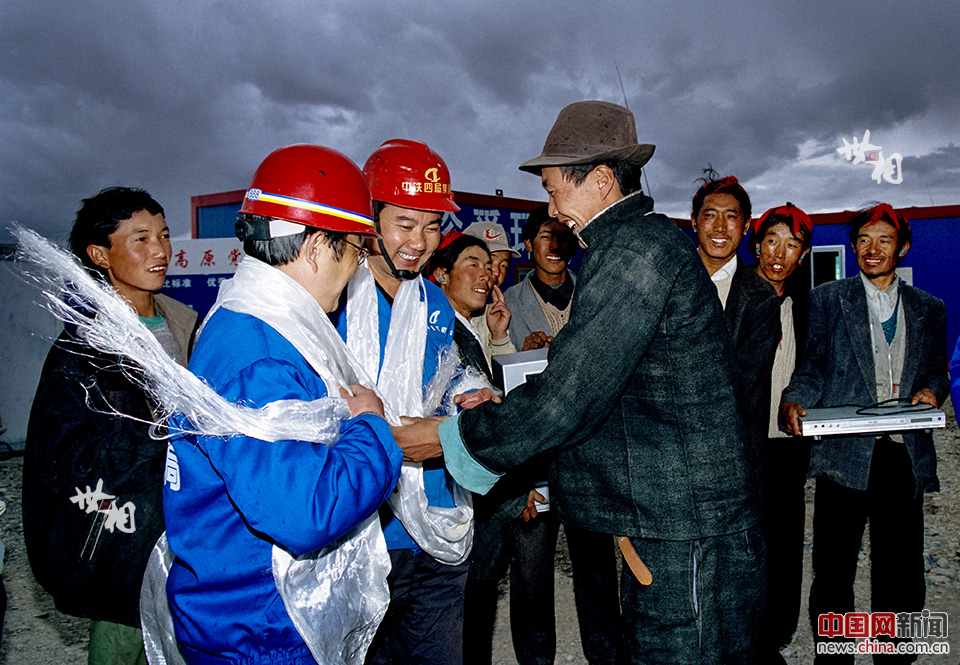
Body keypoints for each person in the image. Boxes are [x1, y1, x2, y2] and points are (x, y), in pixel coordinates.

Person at [396, 100, 764, 664]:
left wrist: (447, 437)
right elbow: (594, 383)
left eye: (553, 190)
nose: (551, 209)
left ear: (599, 179)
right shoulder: (634, 245)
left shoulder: (634, 254)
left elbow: (570, 397)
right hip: (678, 524)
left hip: (684, 531)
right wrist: (506, 406)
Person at [162, 144, 403, 664]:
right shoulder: (260, 352)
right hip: (260, 626)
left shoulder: (247, 319)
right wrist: (371, 426)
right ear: (316, 247)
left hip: (243, 610)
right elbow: (305, 510)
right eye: (355, 251)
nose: (357, 267)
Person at [23, 186, 197, 665]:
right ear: (99, 255)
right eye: (140, 239)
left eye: (164, 235)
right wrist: (161, 446)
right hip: (127, 536)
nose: (160, 250)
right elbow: (62, 457)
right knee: (122, 645)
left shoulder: (186, 325)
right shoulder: (85, 345)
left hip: (187, 526)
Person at [781, 203, 948, 662]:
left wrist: (933, 391)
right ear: (853, 247)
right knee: (833, 568)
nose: (872, 250)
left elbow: (937, 371)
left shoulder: (929, 308)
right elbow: (812, 367)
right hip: (844, 454)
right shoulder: (828, 300)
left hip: (902, 454)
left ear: (903, 247)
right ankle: (834, 656)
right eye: (863, 241)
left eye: (884, 240)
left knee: (901, 567)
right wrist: (794, 398)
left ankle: (896, 655)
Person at [333, 139, 474, 665]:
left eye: (433, 226)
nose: (420, 241)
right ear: (368, 218)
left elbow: (445, 376)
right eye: (405, 223)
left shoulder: (435, 301)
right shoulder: (333, 295)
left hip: (436, 518)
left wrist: (467, 393)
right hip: (361, 529)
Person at [750, 203, 813, 664]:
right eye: (772, 240)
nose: (779, 253)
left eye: (792, 245)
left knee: (786, 543)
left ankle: (776, 634)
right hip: (744, 444)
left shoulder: (807, 305)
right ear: (757, 245)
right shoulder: (734, 299)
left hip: (789, 445)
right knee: (746, 545)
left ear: (803, 255)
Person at [691, 175, 781, 465]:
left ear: (746, 225)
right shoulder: (666, 281)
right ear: (694, 222)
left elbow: (747, 386)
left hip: (732, 453)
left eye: (731, 217)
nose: (720, 227)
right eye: (710, 215)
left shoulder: (761, 297)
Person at [504, 205, 578, 352]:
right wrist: (525, 356)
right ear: (529, 244)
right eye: (546, 237)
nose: (555, 246)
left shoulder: (593, 291)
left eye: (563, 237)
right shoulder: (510, 302)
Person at [462, 221, 520, 358]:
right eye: (489, 262)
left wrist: (499, 336)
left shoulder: (492, 316)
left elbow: (503, 369)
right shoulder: (433, 315)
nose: (496, 272)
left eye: (504, 265)